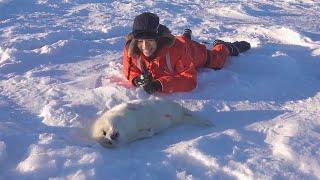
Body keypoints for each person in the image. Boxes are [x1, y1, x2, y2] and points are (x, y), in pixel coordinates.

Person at [123, 12, 250, 94]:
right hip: (181, 43)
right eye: (140, 41)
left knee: (216, 61)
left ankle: (225, 46)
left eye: (149, 41)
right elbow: (129, 71)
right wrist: (135, 80)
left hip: (190, 51)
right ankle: (186, 35)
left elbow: (189, 80)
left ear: (158, 39)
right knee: (183, 40)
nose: (144, 46)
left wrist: (159, 84)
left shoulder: (178, 50)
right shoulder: (132, 50)